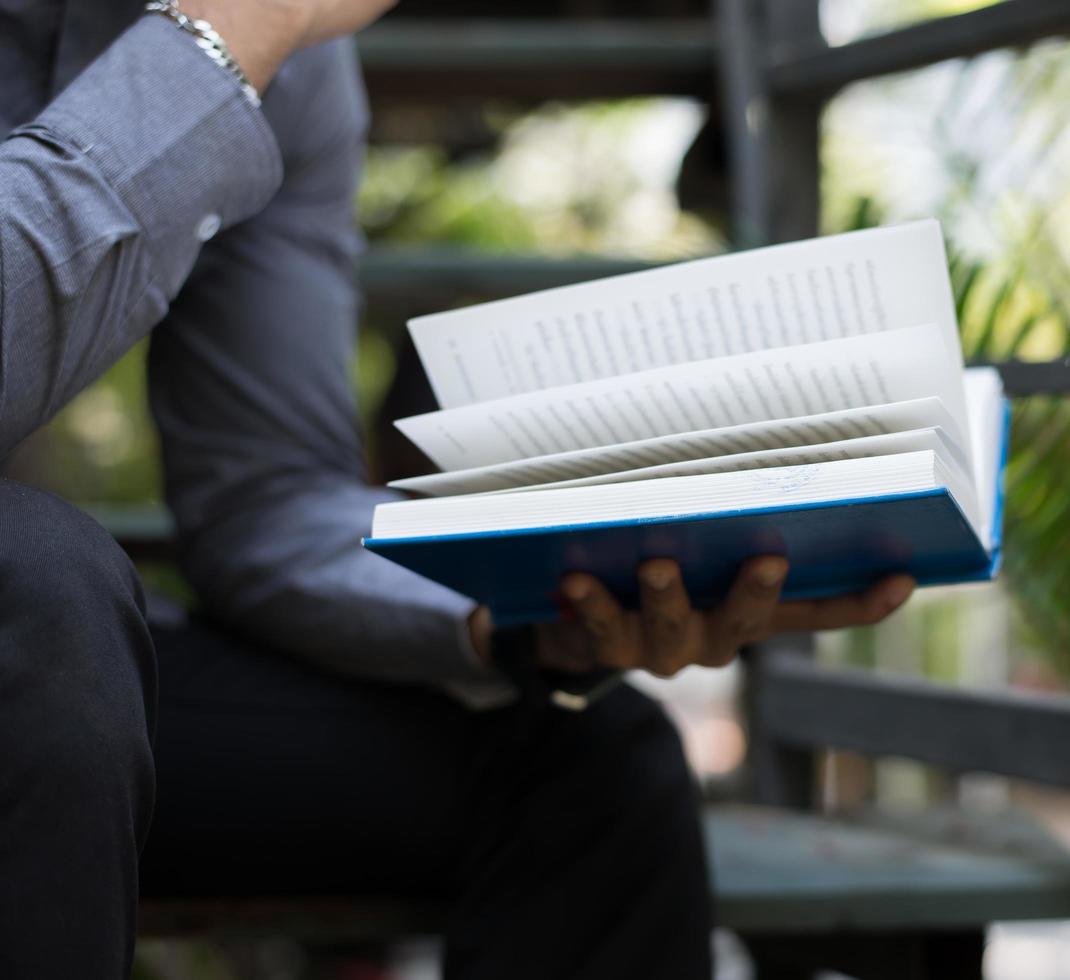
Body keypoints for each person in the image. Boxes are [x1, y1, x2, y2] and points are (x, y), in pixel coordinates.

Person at [0, 1, 918, 977]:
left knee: (588, 760)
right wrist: (212, 51)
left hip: (63, 697)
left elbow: (263, 501)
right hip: (41, 651)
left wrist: (521, 605)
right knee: (45, 594)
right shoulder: (251, 25)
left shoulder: (292, 54)